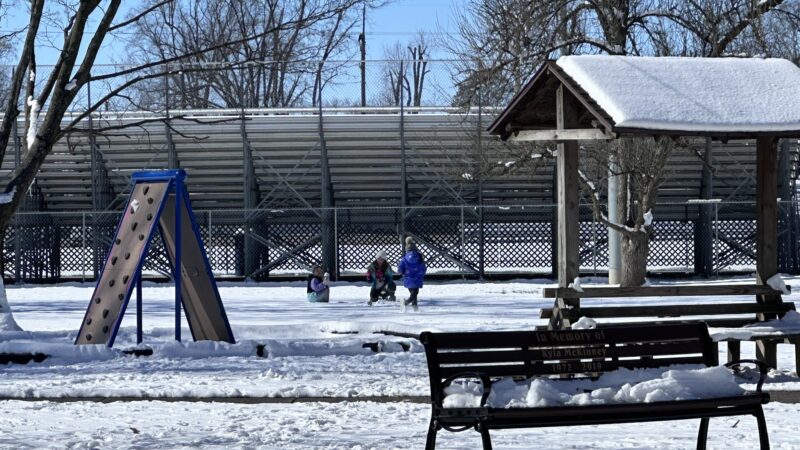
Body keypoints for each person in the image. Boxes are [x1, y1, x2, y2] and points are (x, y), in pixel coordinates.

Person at [397, 236, 426, 312]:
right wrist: (422, 273)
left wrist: (400, 271)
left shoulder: (404, 258)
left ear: (407, 250)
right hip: (417, 277)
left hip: (408, 277)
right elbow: (423, 267)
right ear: (415, 249)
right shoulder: (419, 257)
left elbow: (401, 266)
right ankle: (407, 303)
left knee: (413, 293)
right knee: (415, 293)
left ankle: (415, 307)